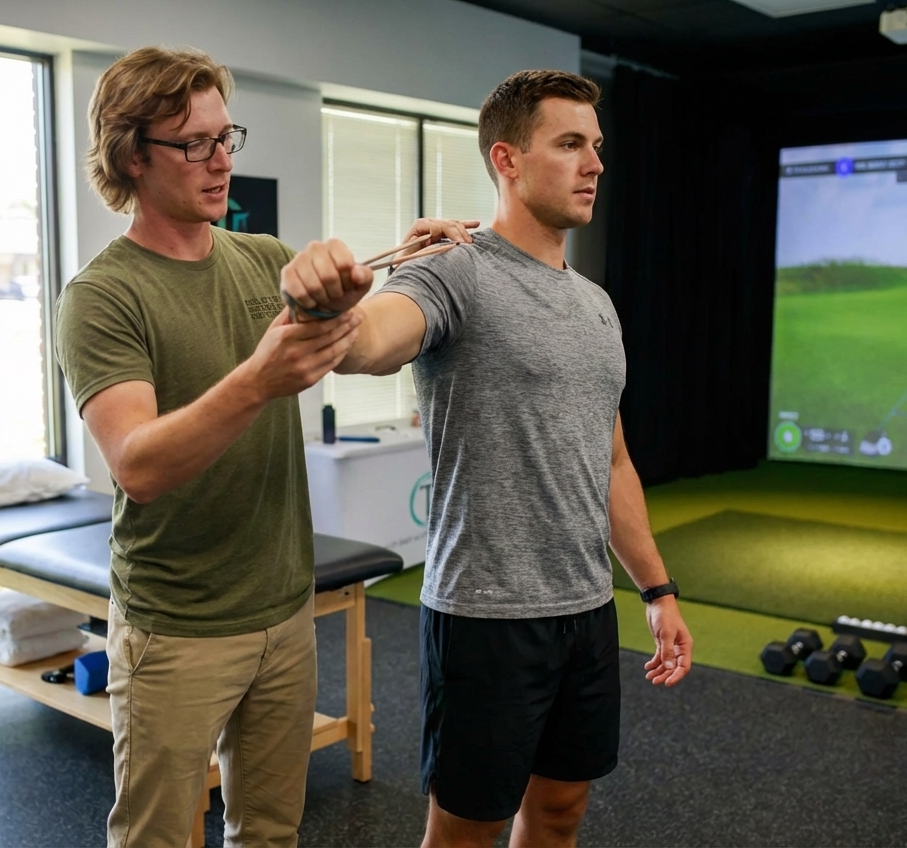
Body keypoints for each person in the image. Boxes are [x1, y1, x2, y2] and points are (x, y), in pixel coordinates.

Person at [55, 45, 465, 848]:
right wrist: (258, 378)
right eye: (194, 144)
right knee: (158, 838)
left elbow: (361, 338)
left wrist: (411, 264)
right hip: (175, 626)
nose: (221, 162)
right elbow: (137, 465)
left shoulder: (265, 259)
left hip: (283, 608)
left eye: (224, 137)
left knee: (271, 831)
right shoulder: (102, 296)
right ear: (134, 155)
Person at [280, 69, 694, 847]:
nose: (594, 163)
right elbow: (371, 341)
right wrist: (335, 305)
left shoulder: (597, 304)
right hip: (486, 617)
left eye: (596, 146)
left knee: (563, 810)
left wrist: (657, 589)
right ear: (506, 159)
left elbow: (612, 463)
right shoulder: (453, 268)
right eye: (569, 144)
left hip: (585, 610)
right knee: (467, 830)